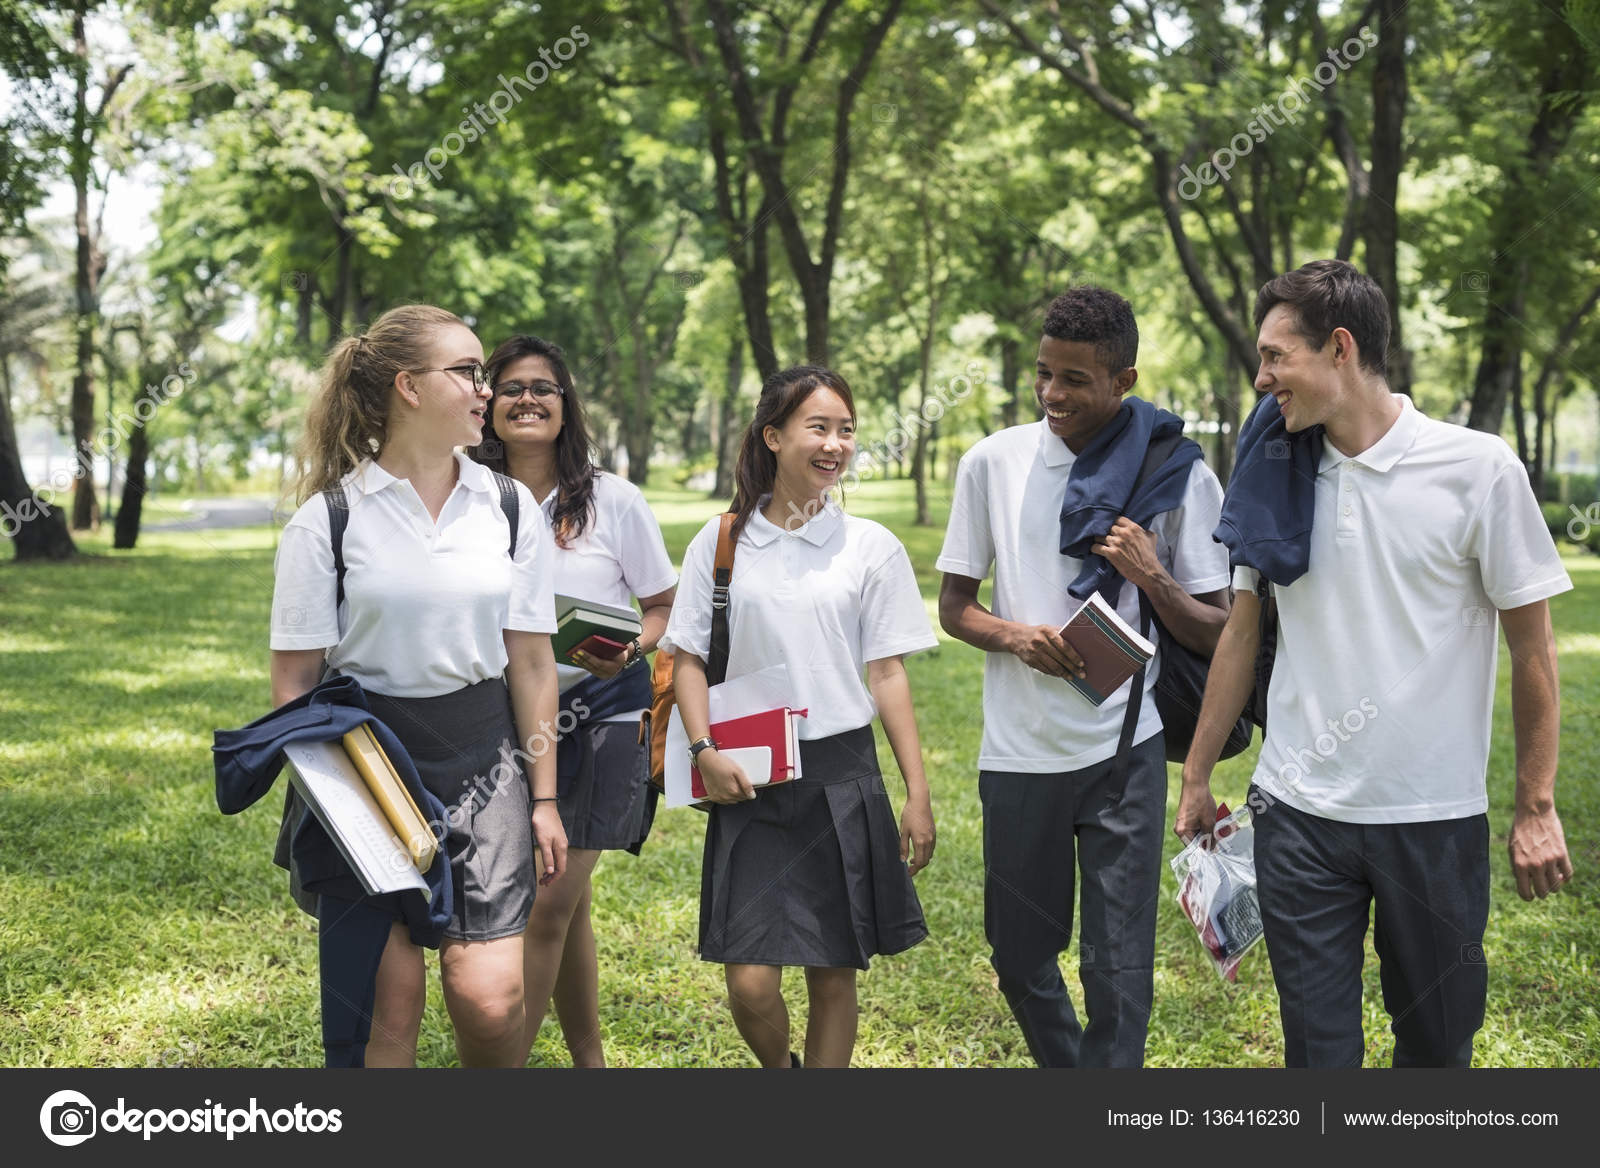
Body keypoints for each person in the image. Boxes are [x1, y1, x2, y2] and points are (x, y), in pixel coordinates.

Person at [1175, 259, 1574, 1067]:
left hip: (1432, 820)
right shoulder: (1274, 470)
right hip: (1297, 815)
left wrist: (1535, 803)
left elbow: (1531, 645)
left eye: (1276, 356)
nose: (1261, 378)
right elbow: (1242, 633)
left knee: (1435, 1046)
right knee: (1318, 1056)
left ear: (1341, 349)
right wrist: (1195, 773)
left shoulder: (1477, 467)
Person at [936, 285, 1231, 1067]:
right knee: (1018, 955)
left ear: (1124, 381)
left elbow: (1222, 628)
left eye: (1074, 379)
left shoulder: (1178, 473)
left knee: (1118, 964)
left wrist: (1153, 575)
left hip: (1124, 750)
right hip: (1018, 752)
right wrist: (1017, 636)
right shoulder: (991, 462)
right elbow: (955, 607)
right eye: (1044, 374)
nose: (1052, 394)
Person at [269, 304, 568, 1068]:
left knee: (491, 1001)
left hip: (486, 757)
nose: (486, 388)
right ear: (408, 386)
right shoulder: (327, 521)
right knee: (387, 1014)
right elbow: (295, 682)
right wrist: (339, 798)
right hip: (363, 762)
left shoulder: (507, 509)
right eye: (467, 372)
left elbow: (532, 662)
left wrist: (543, 799)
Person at [661, 364, 937, 1068]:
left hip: (842, 774)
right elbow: (687, 658)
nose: (835, 444)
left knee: (832, 968)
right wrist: (702, 751)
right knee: (749, 981)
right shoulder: (720, 542)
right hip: (747, 774)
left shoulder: (872, 546)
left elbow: (887, 674)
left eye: (846, 430)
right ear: (774, 435)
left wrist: (918, 793)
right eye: (819, 427)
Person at [470, 334, 677, 1068]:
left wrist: (632, 646)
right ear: (486, 402)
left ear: (566, 405)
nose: (528, 399)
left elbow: (663, 605)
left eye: (544, 388)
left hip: (602, 716)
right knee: (571, 905)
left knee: (547, 903)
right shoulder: (462, 497)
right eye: (511, 386)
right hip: (502, 717)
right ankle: (590, 1060)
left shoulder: (613, 499)